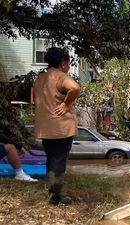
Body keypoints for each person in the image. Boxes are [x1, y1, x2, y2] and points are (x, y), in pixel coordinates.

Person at [33, 47, 80, 205]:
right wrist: (66, 104)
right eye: (68, 63)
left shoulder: (40, 78)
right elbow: (75, 87)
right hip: (60, 128)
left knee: (51, 160)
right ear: (62, 63)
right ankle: (55, 197)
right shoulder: (60, 76)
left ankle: (52, 192)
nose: (69, 66)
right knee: (59, 162)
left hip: (45, 128)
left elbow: (36, 99)